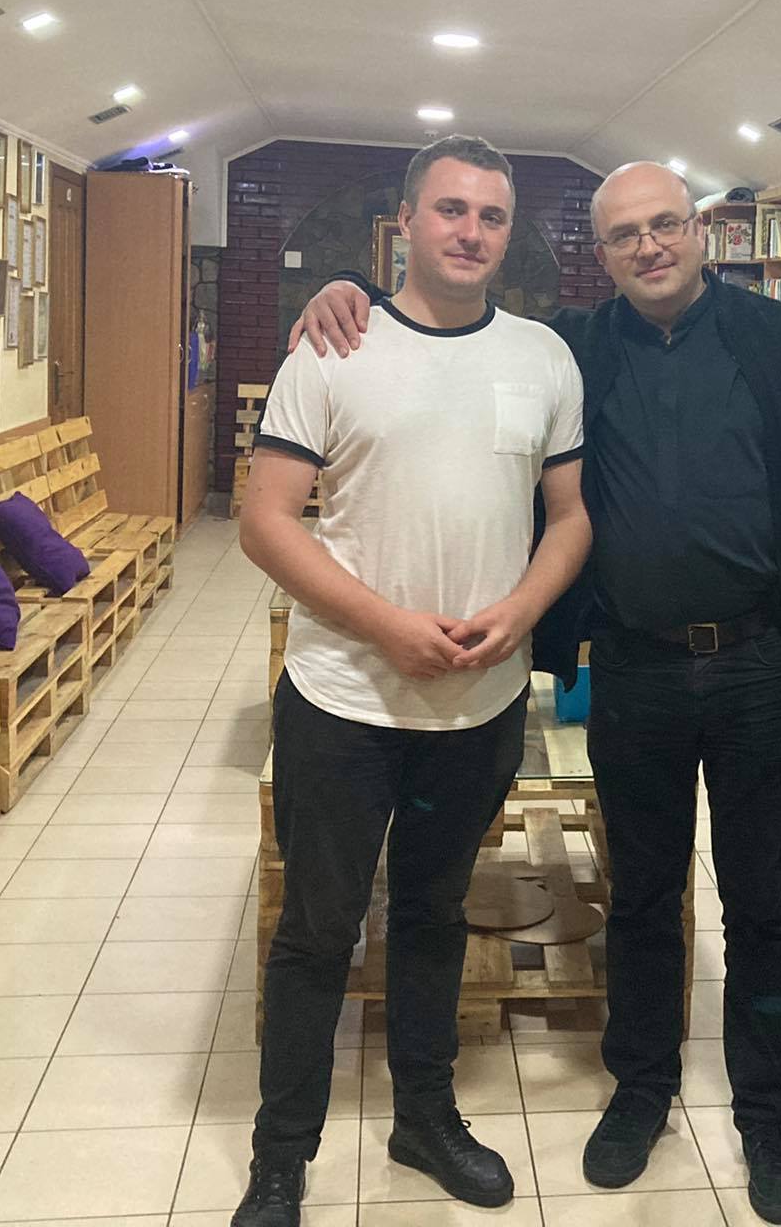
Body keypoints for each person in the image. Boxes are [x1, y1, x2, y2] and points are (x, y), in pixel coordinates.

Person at [293, 160, 781, 1225]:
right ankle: (641, 1090)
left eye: (664, 225)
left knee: (763, 903)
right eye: (624, 235)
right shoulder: (572, 348)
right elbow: (456, 316)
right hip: (635, 666)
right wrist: (347, 285)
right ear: (602, 253)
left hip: (759, 665)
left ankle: (769, 1117)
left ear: (699, 231)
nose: (648, 247)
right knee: (641, 895)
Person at [235, 135, 591, 1227]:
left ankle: (424, 1118)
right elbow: (264, 520)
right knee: (318, 929)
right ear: (404, 222)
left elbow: (570, 517)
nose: (469, 232)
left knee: (436, 916)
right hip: (343, 700)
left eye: (490, 215)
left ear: (507, 232)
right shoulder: (332, 347)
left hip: (477, 706)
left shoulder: (543, 357)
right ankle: (280, 1157)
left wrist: (521, 613)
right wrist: (386, 627)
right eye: (449, 209)